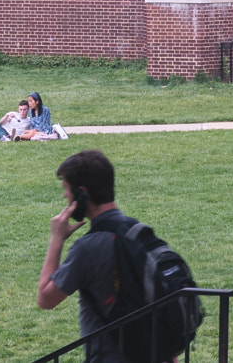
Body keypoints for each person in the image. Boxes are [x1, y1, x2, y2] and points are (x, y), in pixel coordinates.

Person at [40, 149, 189, 360]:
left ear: (82, 193)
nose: (65, 196)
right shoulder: (138, 232)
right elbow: (154, 298)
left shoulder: (87, 249)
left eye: (66, 189)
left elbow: (46, 298)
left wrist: (56, 239)